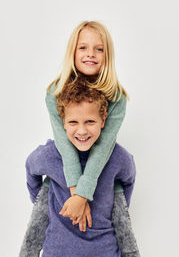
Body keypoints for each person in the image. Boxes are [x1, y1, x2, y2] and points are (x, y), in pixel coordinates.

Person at [19, 78, 143, 257]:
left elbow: (129, 178)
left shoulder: (117, 157)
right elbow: (30, 168)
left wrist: (112, 203)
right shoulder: (50, 154)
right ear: (63, 123)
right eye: (73, 122)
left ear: (103, 121)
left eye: (90, 121)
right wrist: (45, 201)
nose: (82, 130)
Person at [45, 20, 129, 228]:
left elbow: (102, 148)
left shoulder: (117, 98)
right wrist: (77, 195)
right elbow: (64, 145)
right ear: (72, 52)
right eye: (83, 47)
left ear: (107, 55)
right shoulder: (54, 92)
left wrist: (83, 196)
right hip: (69, 165)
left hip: (98, 166)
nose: (90, 54)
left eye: (98, 49)